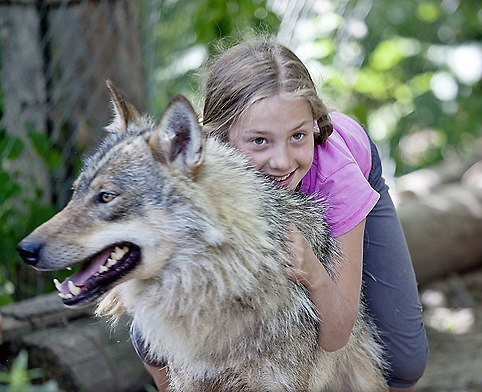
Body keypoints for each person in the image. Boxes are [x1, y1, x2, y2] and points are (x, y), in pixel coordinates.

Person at [130, 37, 428, 391]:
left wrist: (315, 274)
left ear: (315, 125)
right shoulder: (202, 173)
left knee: (406, 362)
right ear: (220, 138)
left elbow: (335, 336)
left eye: (297, 136)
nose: (282, 161)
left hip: (347, 176)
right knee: (147, 338)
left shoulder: (337, 179)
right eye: (259, 141)